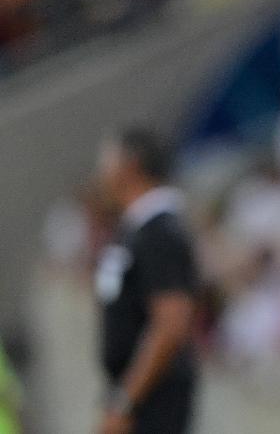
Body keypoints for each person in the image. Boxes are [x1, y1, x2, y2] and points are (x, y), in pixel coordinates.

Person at [94, 128, 198, 434]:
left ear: (130, 165)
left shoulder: (159, 232)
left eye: (106, 162)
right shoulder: (137, 231)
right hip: (139, 399)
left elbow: (171, 323)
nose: (101, 173)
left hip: (155, 401)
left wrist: (127, 401)